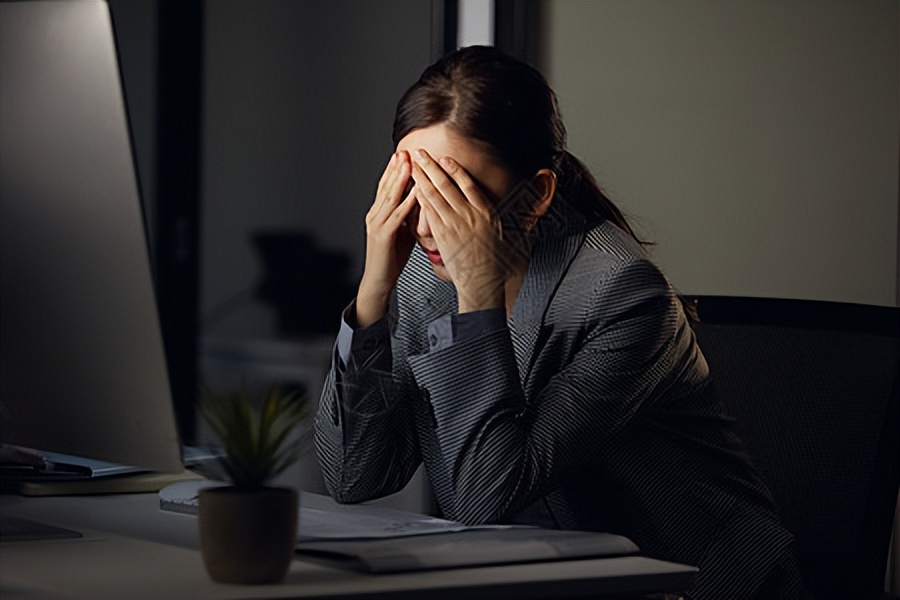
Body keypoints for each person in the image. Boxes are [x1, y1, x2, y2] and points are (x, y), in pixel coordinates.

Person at [314, 45, 809, 600]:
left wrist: (479, 300)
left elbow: (487, 497)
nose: (429, 226)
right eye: (417, 189)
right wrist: (373, 291)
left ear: (536, 196)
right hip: (549, 581)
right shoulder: (424, 278)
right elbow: (355, 475)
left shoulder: (623, 294)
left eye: (457, 196)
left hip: (695, 585)